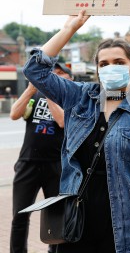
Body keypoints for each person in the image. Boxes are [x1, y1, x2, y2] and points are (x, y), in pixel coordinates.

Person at [22, 10, 130, 253]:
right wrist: (69, 29)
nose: (110, 67)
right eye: (104, 64)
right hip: (75, 223)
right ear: (98, 69)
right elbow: (34, 71)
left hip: (126, 226)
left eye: (119, 62)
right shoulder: (78, 97)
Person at [9, 63, 72, 253]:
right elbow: (14, 114)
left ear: (70, 79)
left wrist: (49, 93)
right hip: (28, 163)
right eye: (54, 74)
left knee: (55, 215)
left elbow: (62, 121)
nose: (57, 76)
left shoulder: (70, 99)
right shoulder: (33, 96)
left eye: (62, 74)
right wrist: (30, 89)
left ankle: (54, 251)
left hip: (55, 165)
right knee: (19, 215)